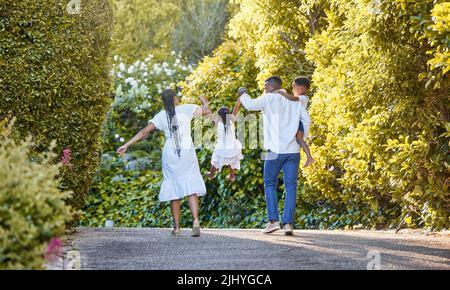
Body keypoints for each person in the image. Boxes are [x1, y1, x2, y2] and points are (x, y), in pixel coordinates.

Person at [117, 89, 211, 237]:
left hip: (170, 152)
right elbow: (207, 112)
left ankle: (177, 227)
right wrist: (204, 101)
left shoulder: (161, 116)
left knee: (173, 187)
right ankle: (196, 220)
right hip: (186, 150)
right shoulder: (187, 108)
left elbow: (143, 132)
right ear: (174, 98)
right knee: (191, 184)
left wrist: (127, 144)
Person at [238, 76, 310, 235]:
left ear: (272, 87)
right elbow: (306, 120)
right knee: (291, 186)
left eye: (265, 86)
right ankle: (288, 224)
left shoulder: (269, 98)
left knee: (269, 184)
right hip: (293, 151)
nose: (264, 89)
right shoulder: (296, 101)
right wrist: (301, 139)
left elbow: (250, 105)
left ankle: (273, 221)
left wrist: (243, 93)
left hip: (274, 151)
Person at [206, 99, 243, 181]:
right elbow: (236, 108)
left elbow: (209, 113)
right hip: (232, 147)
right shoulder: (231, 120)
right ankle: (232, 175)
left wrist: (205, 103)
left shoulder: (217, 122)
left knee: (216, 160)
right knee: (232, 160)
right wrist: (239, 99)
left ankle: (211, 173)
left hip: (222, 148)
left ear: (219, 116)